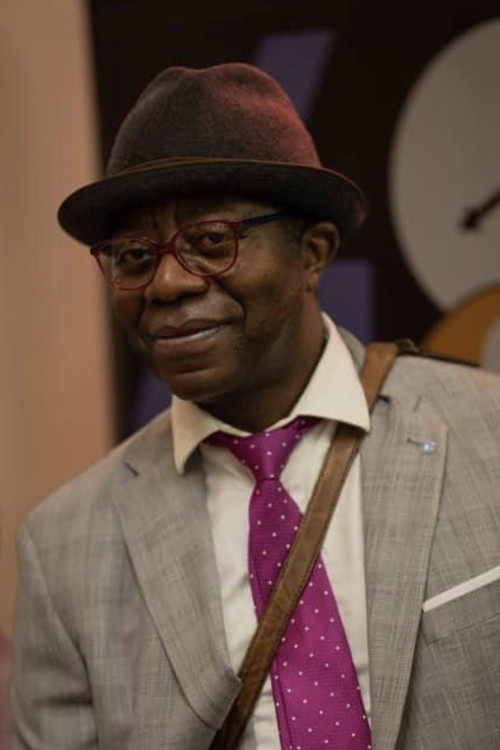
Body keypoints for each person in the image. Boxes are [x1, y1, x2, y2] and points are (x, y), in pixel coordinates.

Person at [11, 63, 500, 750]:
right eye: (133, 256)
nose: (167, 282)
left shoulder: (488, 433)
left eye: (212, 242)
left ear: (313, 253)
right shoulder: (64, 547)